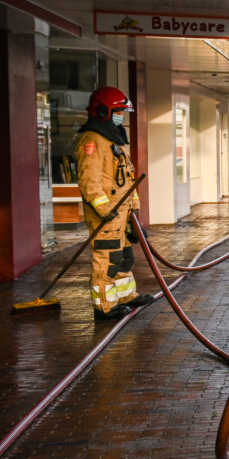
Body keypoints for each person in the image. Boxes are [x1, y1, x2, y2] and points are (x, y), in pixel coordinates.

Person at [76, 86, 154, 321]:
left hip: (121, 213)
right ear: (103, 111)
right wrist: (104, 209)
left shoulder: (113, 139)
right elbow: (89, 182)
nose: (122, 116)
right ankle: (104, 307)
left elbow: (126, 178)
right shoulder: (92, 140)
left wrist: (134, 208)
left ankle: (125, 296)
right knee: (107, 261)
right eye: (118, 111)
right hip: (106, 215)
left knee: (124, 258)